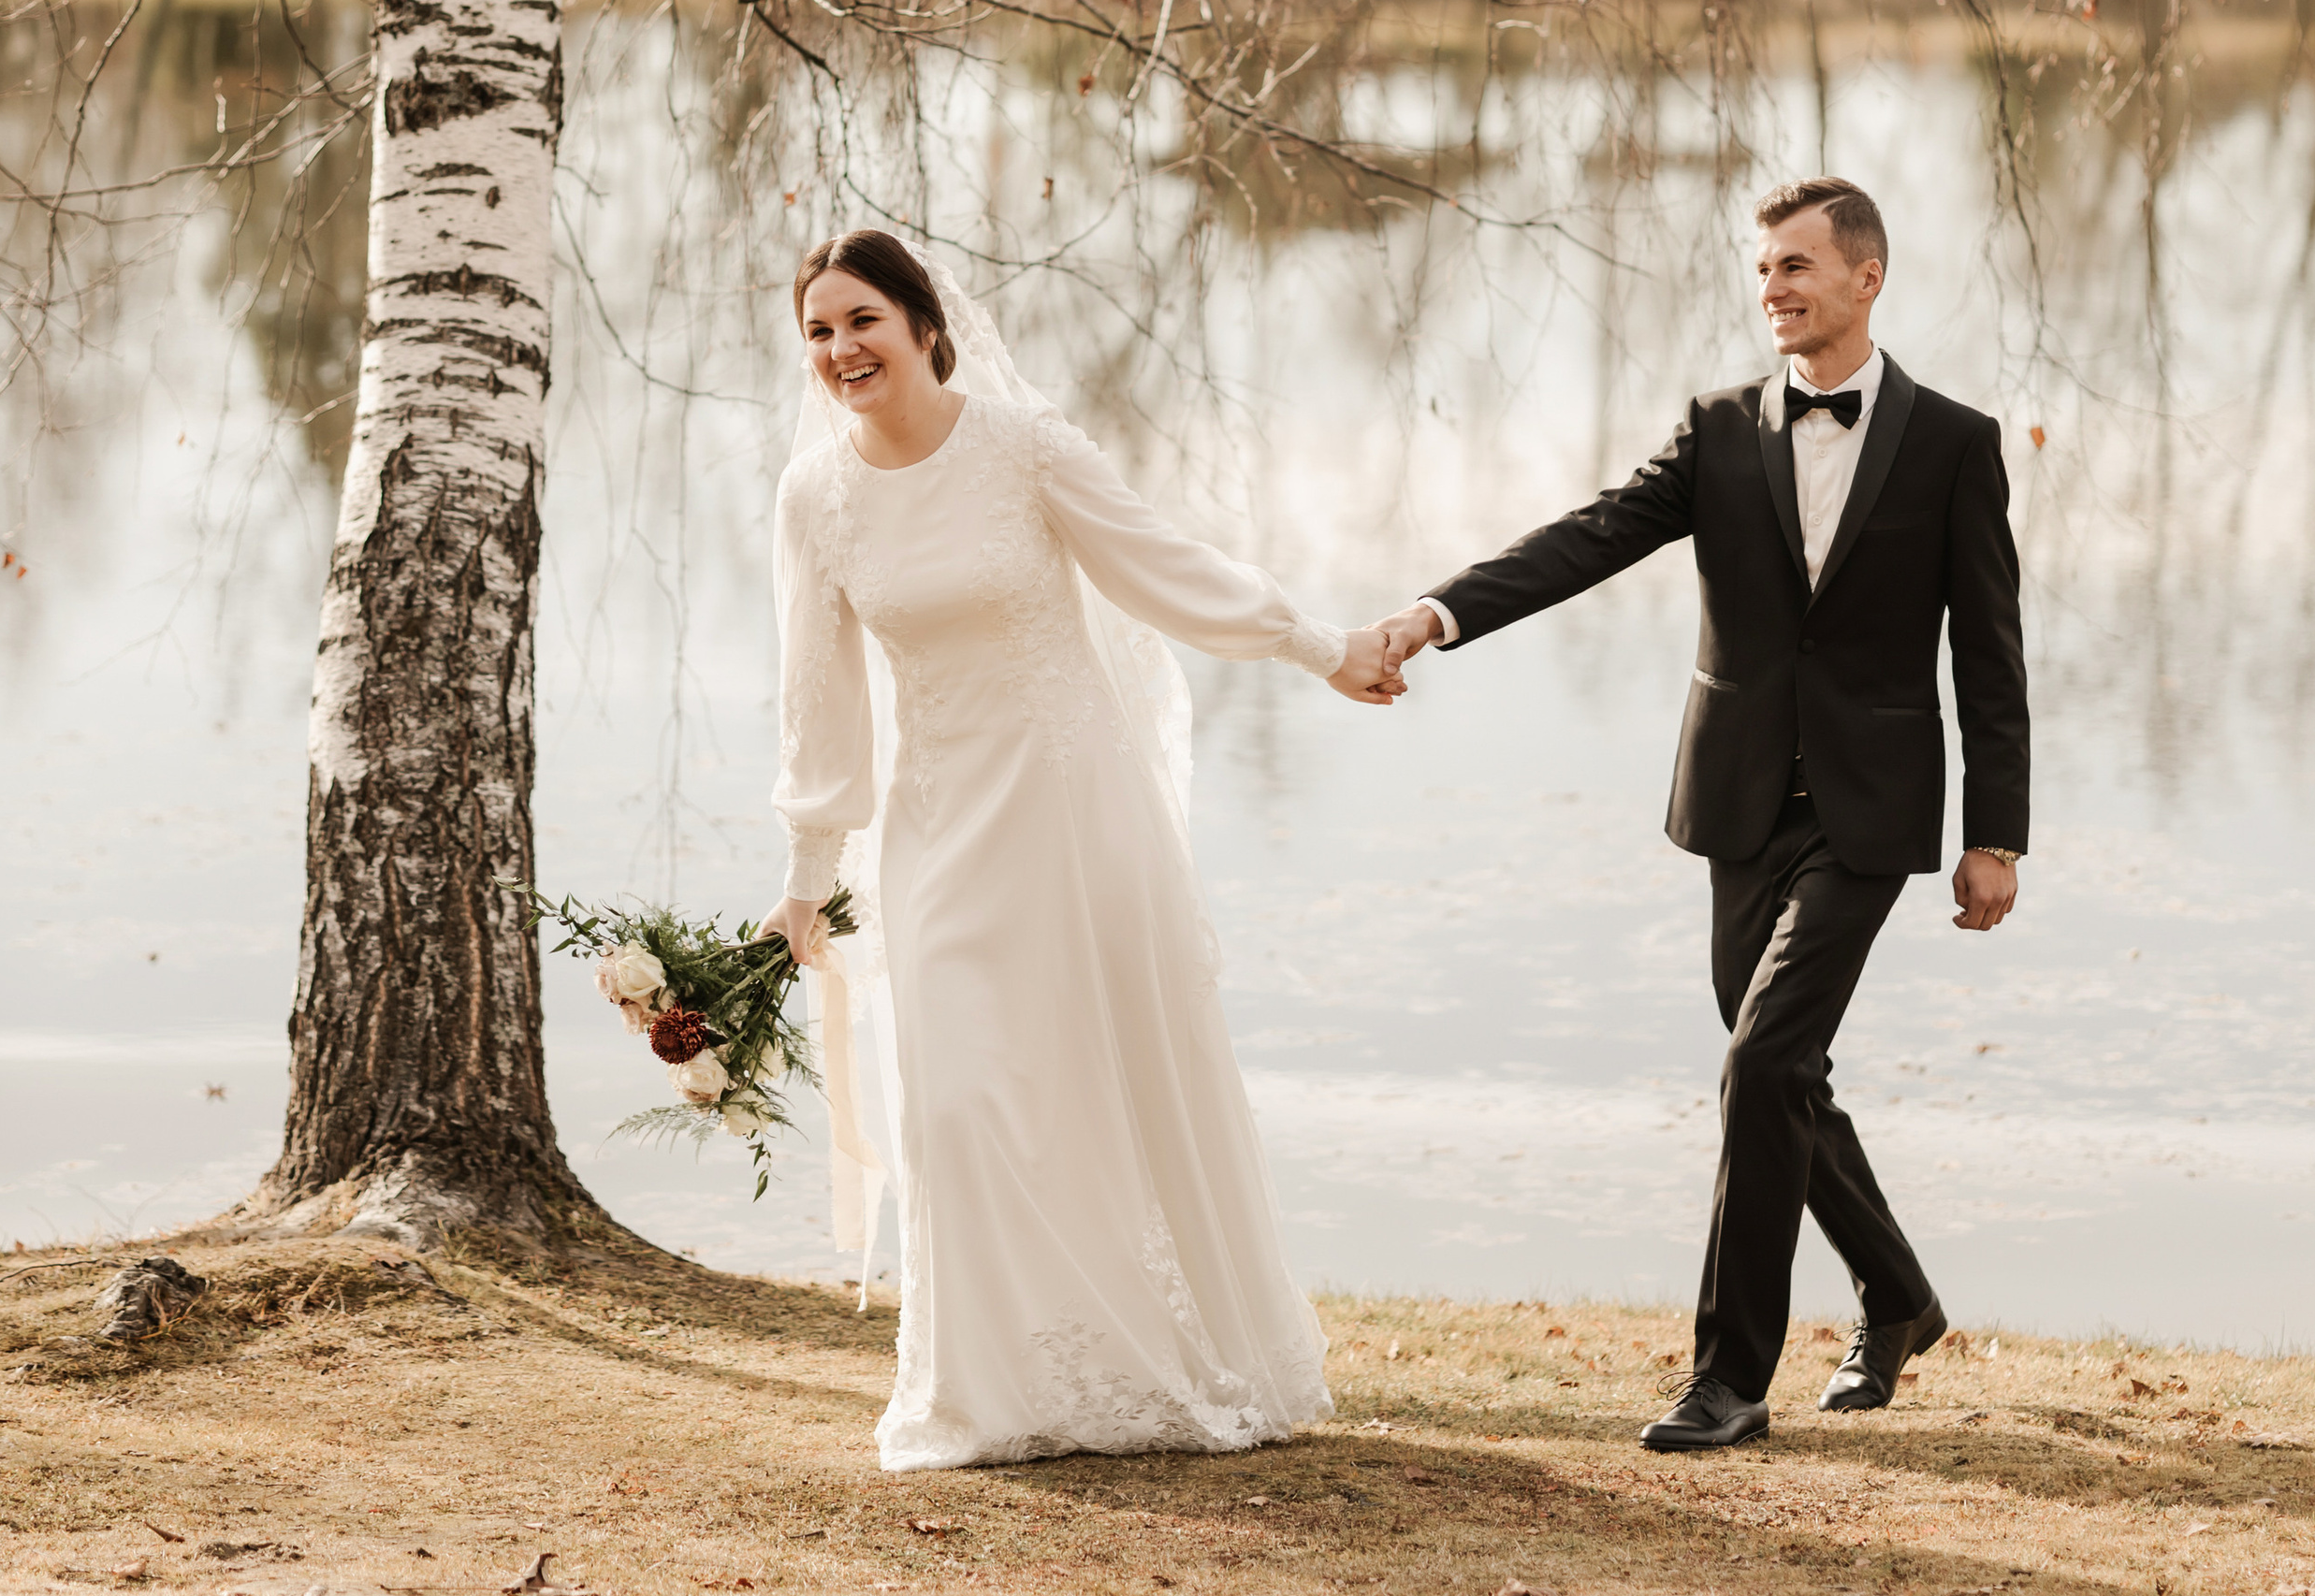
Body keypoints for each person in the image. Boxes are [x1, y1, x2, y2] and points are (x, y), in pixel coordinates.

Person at [1365, 178, 2030, 1451]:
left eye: (1796, 267)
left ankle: (1729, 1383)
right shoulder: (1719, 429)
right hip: (1734, 800)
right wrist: (1436, 616)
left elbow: (1989, 652)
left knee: (1761, 1061)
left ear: (1866, 277)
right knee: (1777, 1071)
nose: (1773, 289)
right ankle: (1897, 1297)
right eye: (1764, 270)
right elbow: (1593, 537)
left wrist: (1996, 835)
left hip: (1874, 810)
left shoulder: (1955, 442)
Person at [757, 230, 1395, 1472]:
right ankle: (996, 1391)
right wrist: (805, 878)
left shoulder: (1022, 448)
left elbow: (1163, 569)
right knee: (952, 1104)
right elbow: (815, 696)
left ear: (924, 328)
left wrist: (1320, 647)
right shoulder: (814, 499)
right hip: (933, 828)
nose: (841, 351)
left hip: (1070, 806)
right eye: (820, 333)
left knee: (1098, 1085)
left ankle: (1151, 1364)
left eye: (863, 323)